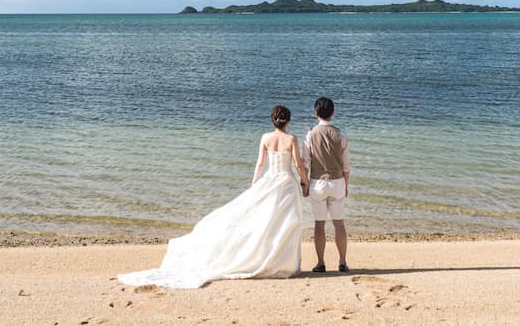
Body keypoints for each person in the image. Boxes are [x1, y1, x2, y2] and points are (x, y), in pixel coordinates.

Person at [118, 105, 310, 289]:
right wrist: (305, 181)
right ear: (288, 121)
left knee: (265, 222)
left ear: (272, 120)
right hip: (286, 183)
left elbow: (260, 164)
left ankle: (269, 259)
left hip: (269, 181)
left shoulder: (265, 137)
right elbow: (298, 165)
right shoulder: (291, 139)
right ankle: (283, 262)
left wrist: (253, 185)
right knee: (285, 224)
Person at [304, 96, 351, 273]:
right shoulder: (341, 134)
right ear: (333, 112)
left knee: (319, 224)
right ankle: (342, 262)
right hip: (337, 181)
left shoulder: (310, 134)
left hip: (317, 182)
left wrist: (305, 183)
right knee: (339, 223)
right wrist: (346, 184)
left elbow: (306, 162)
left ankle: (321, 262)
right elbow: (346, 166)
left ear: (315, 113)